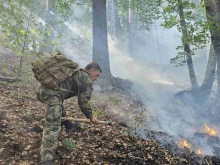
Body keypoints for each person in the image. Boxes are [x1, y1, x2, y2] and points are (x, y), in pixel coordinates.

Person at [35, 62, 102, 165]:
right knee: (53, 125)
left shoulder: (77, 72)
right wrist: (91, 116)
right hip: (52, 94)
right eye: (97, 75)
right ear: (91, 71)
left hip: (43, 90)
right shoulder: (85, 77)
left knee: (59, 108)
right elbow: (83, 102)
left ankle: (68, 125)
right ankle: (46, 157)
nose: (96, 78)